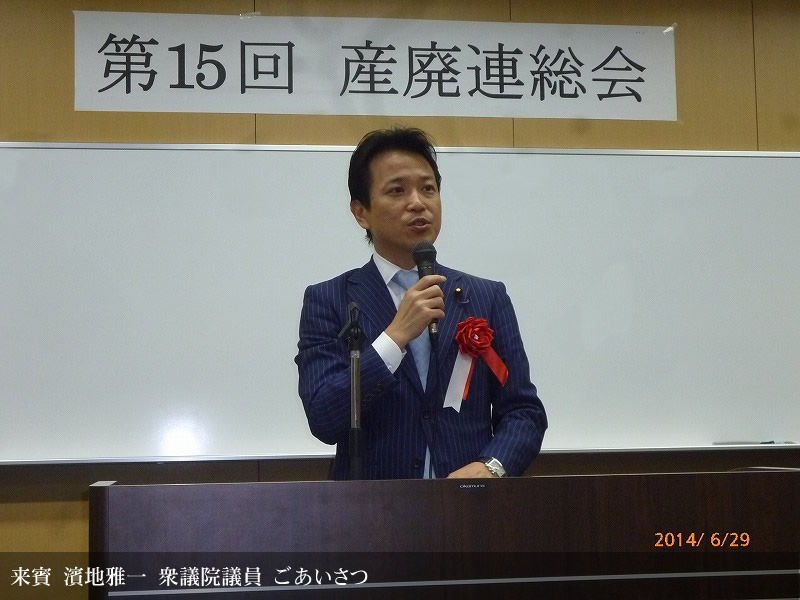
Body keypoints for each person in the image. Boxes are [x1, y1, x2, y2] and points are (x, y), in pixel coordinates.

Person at [295, 126, 546, 479]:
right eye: (397, 190)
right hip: (374, 505)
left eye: (428, 189)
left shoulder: (487, 297)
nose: (418, 203)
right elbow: (324, 417)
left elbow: (523, 411)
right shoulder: (329, 300)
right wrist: (394, 337)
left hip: (468, 503)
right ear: (361, 212)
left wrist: (492, 467)